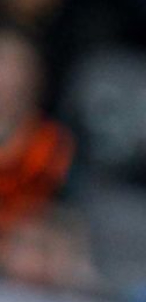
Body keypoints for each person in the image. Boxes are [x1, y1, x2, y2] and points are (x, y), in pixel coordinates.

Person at [0, 29, 74, 237]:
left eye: (19, 67)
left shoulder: (53, 144)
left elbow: (60, 214)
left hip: (24, 244)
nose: (9, 79)